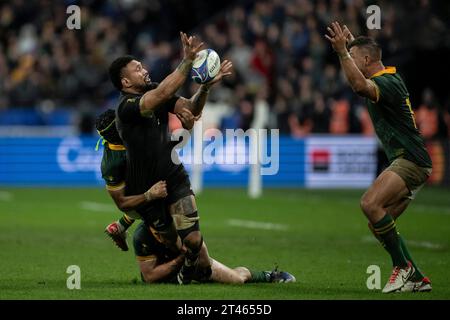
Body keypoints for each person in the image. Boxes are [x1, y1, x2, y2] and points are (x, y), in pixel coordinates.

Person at [108, 34, 232, 284]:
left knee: (193, 241)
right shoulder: (127, 108)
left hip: (173, 177)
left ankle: (188, 270)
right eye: (137, 69)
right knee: (173, 243)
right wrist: (186, 62)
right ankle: (180, 270)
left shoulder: (154, 92)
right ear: (125, 81)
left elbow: (191, 109)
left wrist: (205, 87)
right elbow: (164, 91)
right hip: (148, 189)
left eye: (142, 66)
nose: (144, 70)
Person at [325, 22, 432, 293]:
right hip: (410, 159)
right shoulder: (387, 79)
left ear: (367, 59)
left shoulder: (388, 82)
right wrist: (349, 48)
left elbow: (359, 86)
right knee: (379, 223)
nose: (351, 62)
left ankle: (403, 269)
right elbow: (358, 78)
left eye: (354, 58)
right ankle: (416, 276)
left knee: (370, 203)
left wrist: (341, 53)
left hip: (410, 159)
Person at [133, 221, 296, 284]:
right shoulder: (141, 235)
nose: (161, 238)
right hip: (167, 272)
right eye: (157, 234)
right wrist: (182, 258)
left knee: (237, 280)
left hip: (194, 264)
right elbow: (149, 276)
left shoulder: (183, 228)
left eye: (165, 234)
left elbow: (204, 264)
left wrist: (193, 264)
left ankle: (267, 275)